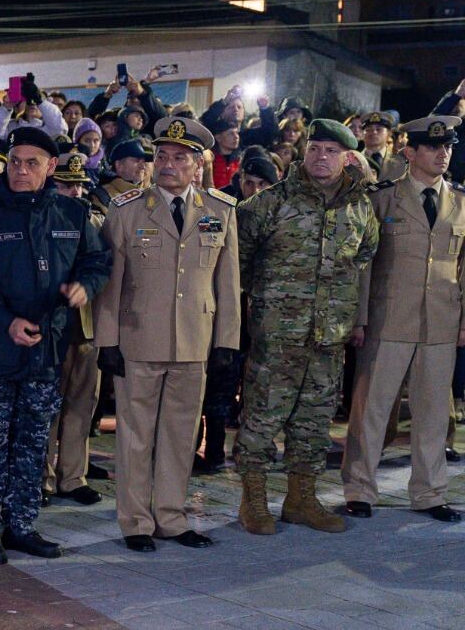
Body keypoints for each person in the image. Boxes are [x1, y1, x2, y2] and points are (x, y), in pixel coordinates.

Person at [0, 127, 111, 565]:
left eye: (32, 163)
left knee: (32, 444)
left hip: (47, 350)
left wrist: (85, 286)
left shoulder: (73, 213)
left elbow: (98, 260)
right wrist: (7, 322)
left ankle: (21, 525)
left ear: (51, 167)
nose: (21, 170)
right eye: (16, 161)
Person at [95, 117, 241, 551]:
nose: (168, 164)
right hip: (138, 338)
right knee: (135, 437)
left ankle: (172, 518)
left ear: (198, 165)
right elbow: (110, 282)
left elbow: (227, 285)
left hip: (194, 340)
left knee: (180, 435)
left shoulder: (220, 210)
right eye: (162, 156)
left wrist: (227, 342)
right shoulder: (126, 210)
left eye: (180, 158)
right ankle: (136, 522)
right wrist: (107, 341)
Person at [235, 119, 379, 534]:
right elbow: (238, 264)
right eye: (315, 148)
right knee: (262, 417)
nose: (321, 157)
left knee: (314, 420)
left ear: (348, 157)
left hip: (329, 337)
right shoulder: (269, 203)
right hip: (277, 336)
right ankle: (254, 499)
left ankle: (301, 498)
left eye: (331, 151)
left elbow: (363, 257)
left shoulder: (359, 207)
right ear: (303, 151)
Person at [343, 116, 465, 522]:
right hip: (388, 317)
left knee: (432, 413)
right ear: (409, 152)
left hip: (441, 322)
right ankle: (360, 488)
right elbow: (364, 266)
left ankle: (430, 493)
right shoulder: (383, 199)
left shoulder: (461, 202)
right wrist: (359, 319)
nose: (442, 154)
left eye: (447, 146)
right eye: (433, 147)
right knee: (372, 408)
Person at [43, 153, 108, 509]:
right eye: (67, 184)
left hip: (85, 325)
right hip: (49, 326)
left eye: (80, 184)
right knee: (47, 406)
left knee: (82, 404)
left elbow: (104, 264)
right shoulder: (39, 216)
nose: (75, 190)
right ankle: (42, 477)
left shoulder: (92, 218)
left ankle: (73, 476)